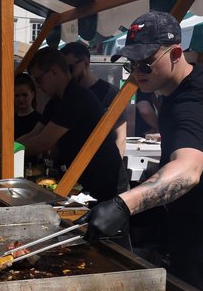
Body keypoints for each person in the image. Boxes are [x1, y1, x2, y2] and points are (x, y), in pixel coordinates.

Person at [86, 11, 203, 291]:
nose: (137, 72)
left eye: (145, 63)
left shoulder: (193, 100)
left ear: (176, 53)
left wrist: (123, 205)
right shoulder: (191, 80)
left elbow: (189, 170)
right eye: (131, 64)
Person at [19, 47, 127, 202]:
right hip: (83, 181)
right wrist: (6, 147)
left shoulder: (75, 97)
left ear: (54, 71)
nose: (38, 86)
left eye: (39, 79)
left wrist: (5, 155)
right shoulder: (56, 101)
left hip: (105, 184)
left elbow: (43, 142)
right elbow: (33, 134)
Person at [61, 42, 127, 156]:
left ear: (86, 63)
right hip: (69, 167)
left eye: (70, 68)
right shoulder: (64, 93)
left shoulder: (111, 93)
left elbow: (120, 137)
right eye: (63, 69)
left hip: (102, 167)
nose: (67, 74)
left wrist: (113, 168)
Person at [14, 73, 41, 138]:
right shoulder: (9, 120)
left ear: (33, 95)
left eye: (25, 95)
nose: (21, 99)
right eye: (17, 95)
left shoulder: (40, 121)